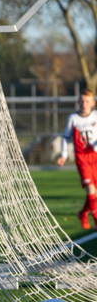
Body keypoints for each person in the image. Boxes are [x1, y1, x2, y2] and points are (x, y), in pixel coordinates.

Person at [57, 89, 97, 229]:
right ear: (78, 102)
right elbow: (66, 137)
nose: (84, 104)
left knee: (94, 191)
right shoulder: (73, 118)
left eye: (87, 101)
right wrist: (63, 154)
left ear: (92, 103)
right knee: (90, 188)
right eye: (81, 101)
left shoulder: (95, 116)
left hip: (95, 156)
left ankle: (83, 213)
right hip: (81, 157)